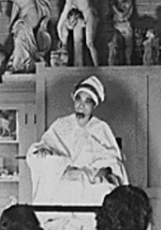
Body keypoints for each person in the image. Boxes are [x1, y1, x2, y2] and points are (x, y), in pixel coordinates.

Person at [27, 75, 128, 206]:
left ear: (94, 106)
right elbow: (42, 148)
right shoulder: (61, 125)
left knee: (103, 193)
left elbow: (113, 163)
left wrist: (101, 172)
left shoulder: (101, 129)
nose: (81, 105)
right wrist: (43, 152)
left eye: (87, 101)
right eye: (78, 99)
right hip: (62, 181)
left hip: (89, 183)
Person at [56, 0, 100, 66]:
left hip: (91, 14)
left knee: (90, 43)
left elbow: (65, 12)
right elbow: (69, 14)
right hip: (86, 16)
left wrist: (59, 26)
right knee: (86, 41)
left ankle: (97, 66)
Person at [107, 0, 135, 66]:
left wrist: (113, 7)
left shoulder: (128, 2)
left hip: (125, 25)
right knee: (113, 44)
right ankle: (111, 64)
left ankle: (128, 63)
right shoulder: (114, 2)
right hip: (116, 25)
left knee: (128, 46)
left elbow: (122, 15)